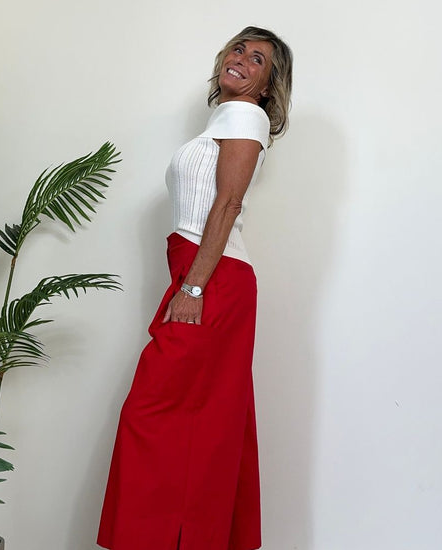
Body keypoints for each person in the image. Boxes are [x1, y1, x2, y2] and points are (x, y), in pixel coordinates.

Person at [97, 26, 293, 550]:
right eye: (238, 49)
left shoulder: (246, 116)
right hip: (200, 274)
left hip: (212, 279)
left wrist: (196, 288)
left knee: (153, 412)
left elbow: (227, 204)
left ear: (267, 87)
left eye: (258, 60)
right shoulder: (224, 120)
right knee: (206, 421)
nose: (242, 59)